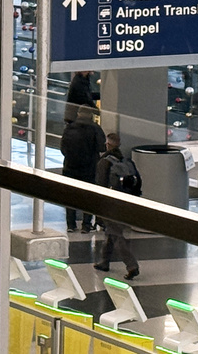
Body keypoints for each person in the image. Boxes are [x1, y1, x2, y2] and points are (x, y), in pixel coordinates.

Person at [93, 132, 139, 280]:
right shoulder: (127, 161)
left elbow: (100, 186)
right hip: (126, 202)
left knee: (116, 235)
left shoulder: (105, 162)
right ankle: (104, 261)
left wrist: (98, 208)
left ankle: (132, 266)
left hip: (110, 205)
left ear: (108, 145)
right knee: (111, 232)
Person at [62, 104, 105, 233]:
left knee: (70, 196)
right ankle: (86, 225)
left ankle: (71, 224)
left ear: (78, 114)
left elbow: (63, 149)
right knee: (88, 197)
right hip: (89, 168)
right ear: (90, 115)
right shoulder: (95, 128)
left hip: (70, 167)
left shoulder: (69, 128)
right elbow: (102, 147)